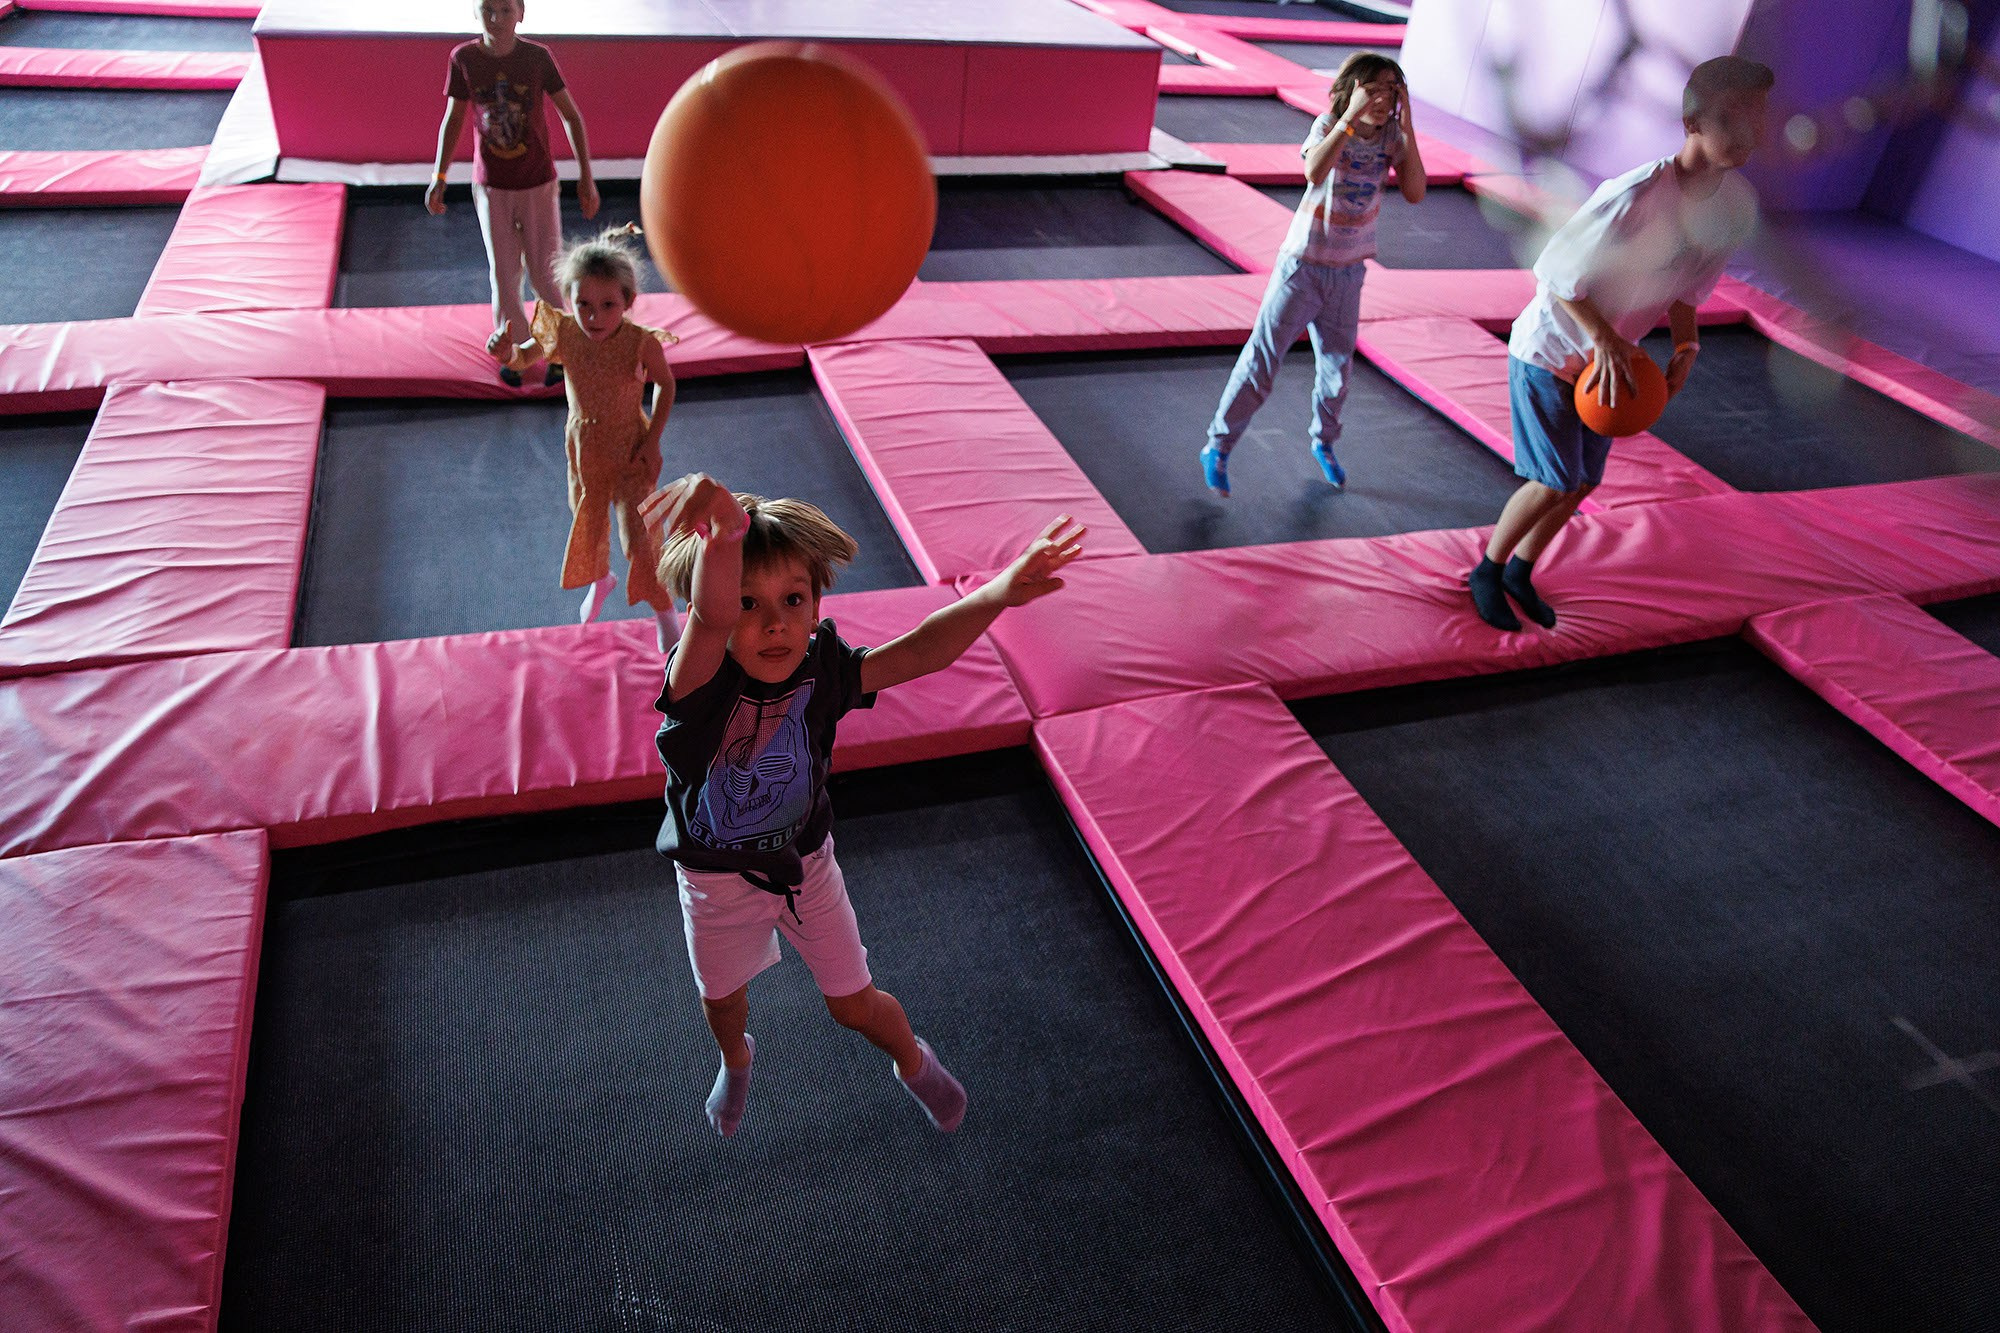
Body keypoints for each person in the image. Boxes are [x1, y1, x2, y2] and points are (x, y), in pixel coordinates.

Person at [641, 474, 1084, 1137]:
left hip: (806, 866)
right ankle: (736, 1058)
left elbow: (922, 651)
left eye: (793, 600)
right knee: (724, 1002)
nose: (774, 623)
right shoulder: (699, 682)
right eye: (748, 604)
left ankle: (912, 1060)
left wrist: (997, 592)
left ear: (817, 604)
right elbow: (708, 617)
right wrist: (726, 534)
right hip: (716, 880)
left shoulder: (823, 668)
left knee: (853, 1005)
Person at [1468, 55, 1772, 632]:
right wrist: (1606, 341)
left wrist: (1686, 350)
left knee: (1585, 481)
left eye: (1756, 118)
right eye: (1731, 118)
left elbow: (1687, 293)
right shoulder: (1635, 193)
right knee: (1554, 479)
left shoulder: (1732, 208)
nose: (1747, 133)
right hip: (1553, 351)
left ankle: (1520, 571)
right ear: (1692, 122)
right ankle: (1487, 569)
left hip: (1606, 363)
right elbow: (1555, 271)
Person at [1199, 52, 1427, 498]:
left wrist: (1409, 128)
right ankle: (1218, 446)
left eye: (1392, 90)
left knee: (1338, 370)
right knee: (1262, 361)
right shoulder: (1328, 125)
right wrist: (1350, 119)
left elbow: (1415, 191)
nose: (1383, 99)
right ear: (1352, 90)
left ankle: (1324, 441)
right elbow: (1313, 171)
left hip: (1348, 274)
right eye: (1374, 89)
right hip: (1302, 267)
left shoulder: (1391, 139)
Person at [490, 225, 680, 647]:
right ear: (568, 299)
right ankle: (601, 579)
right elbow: (523, 359)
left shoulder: (639, 343)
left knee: (641, 536)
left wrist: (653, 440)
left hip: (631, 448)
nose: (595, 317)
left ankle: (665, 611)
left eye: (608, 305)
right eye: (584, 305)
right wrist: (506, 353)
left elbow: (665, 384)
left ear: (628, 302)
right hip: (585, 449)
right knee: (588, 525)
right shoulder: (564, 333)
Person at [428, 0, 601, 387]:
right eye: (488, 10)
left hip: (537, 182)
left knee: (546, 274)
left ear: (521, 13)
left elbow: (571, 116)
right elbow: (454, 118)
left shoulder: (537, 58)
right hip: (492, 186)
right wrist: (439, 175)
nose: (497, 19)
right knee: (504, 275)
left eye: (506, 10)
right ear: (475, 12)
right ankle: (515, 350)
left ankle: (556, 349)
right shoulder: (464, 59)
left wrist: (586, 177)